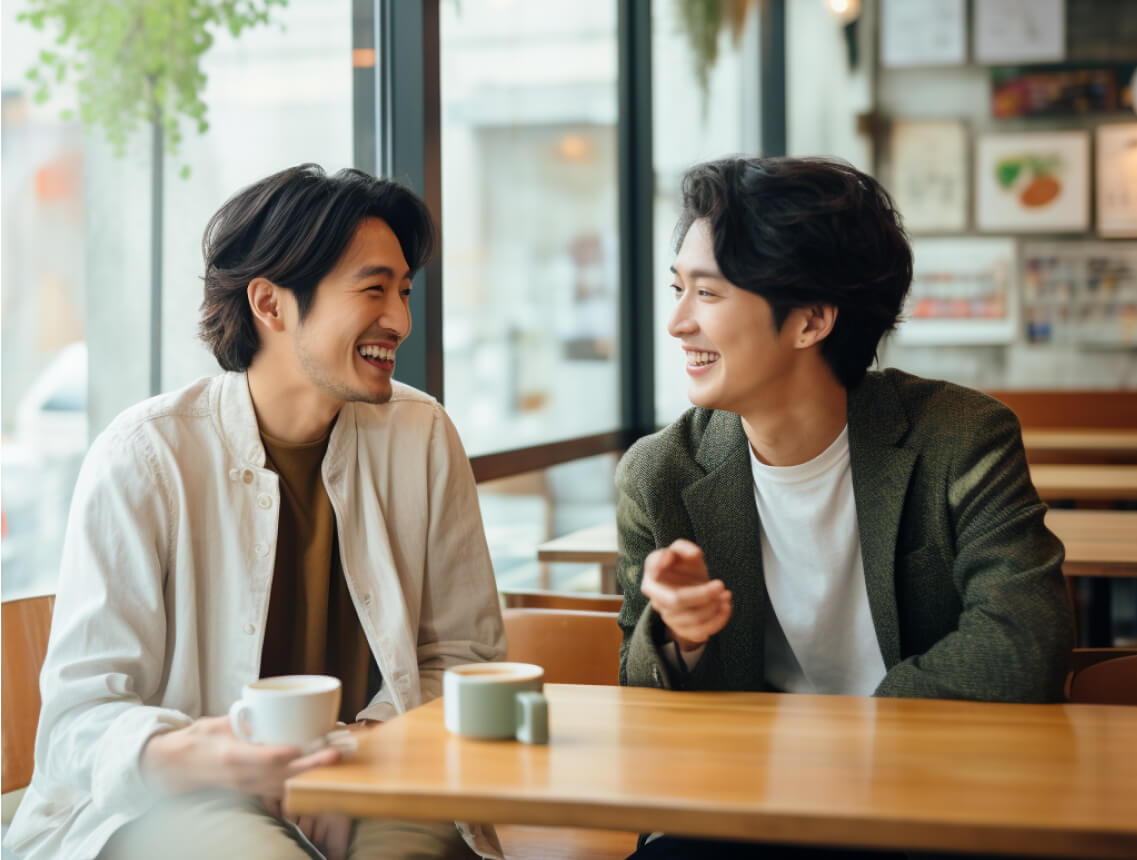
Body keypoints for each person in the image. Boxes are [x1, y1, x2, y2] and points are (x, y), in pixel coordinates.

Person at [5, 165, 505, 860]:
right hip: (175, 802)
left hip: (375, 772)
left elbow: (462, 656)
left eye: (403, 290)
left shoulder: (421, 437)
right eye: (372, 289)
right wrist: (198, 752)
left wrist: (358, 753)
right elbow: (78, 719)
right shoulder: (146, 456)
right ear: (270, 305)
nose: (400, 320)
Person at [615, 157, 1074, 858]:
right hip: (734, 810)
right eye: (677, 289)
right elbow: (636, 695)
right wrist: (678, 637)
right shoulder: (660, 473)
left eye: (706, 294)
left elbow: (1022, 645)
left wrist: (832, 741)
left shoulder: (959, 438)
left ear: (811, 320)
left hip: (927, 794)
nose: (677, 322)